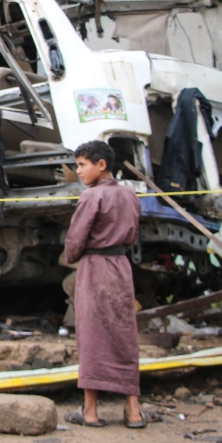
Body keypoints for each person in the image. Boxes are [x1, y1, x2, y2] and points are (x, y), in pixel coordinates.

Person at [62, 140, 145, 428]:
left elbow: (74, 241)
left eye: (83, 165)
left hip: (94, 269)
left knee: (92, 336)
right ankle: (133, 411)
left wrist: (74, 255)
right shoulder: (130, 196)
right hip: (121, 268)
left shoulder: (90, 197)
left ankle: (91, 411)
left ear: (101, 165)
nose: (78, 171)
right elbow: (132, 236)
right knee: (124, 335)